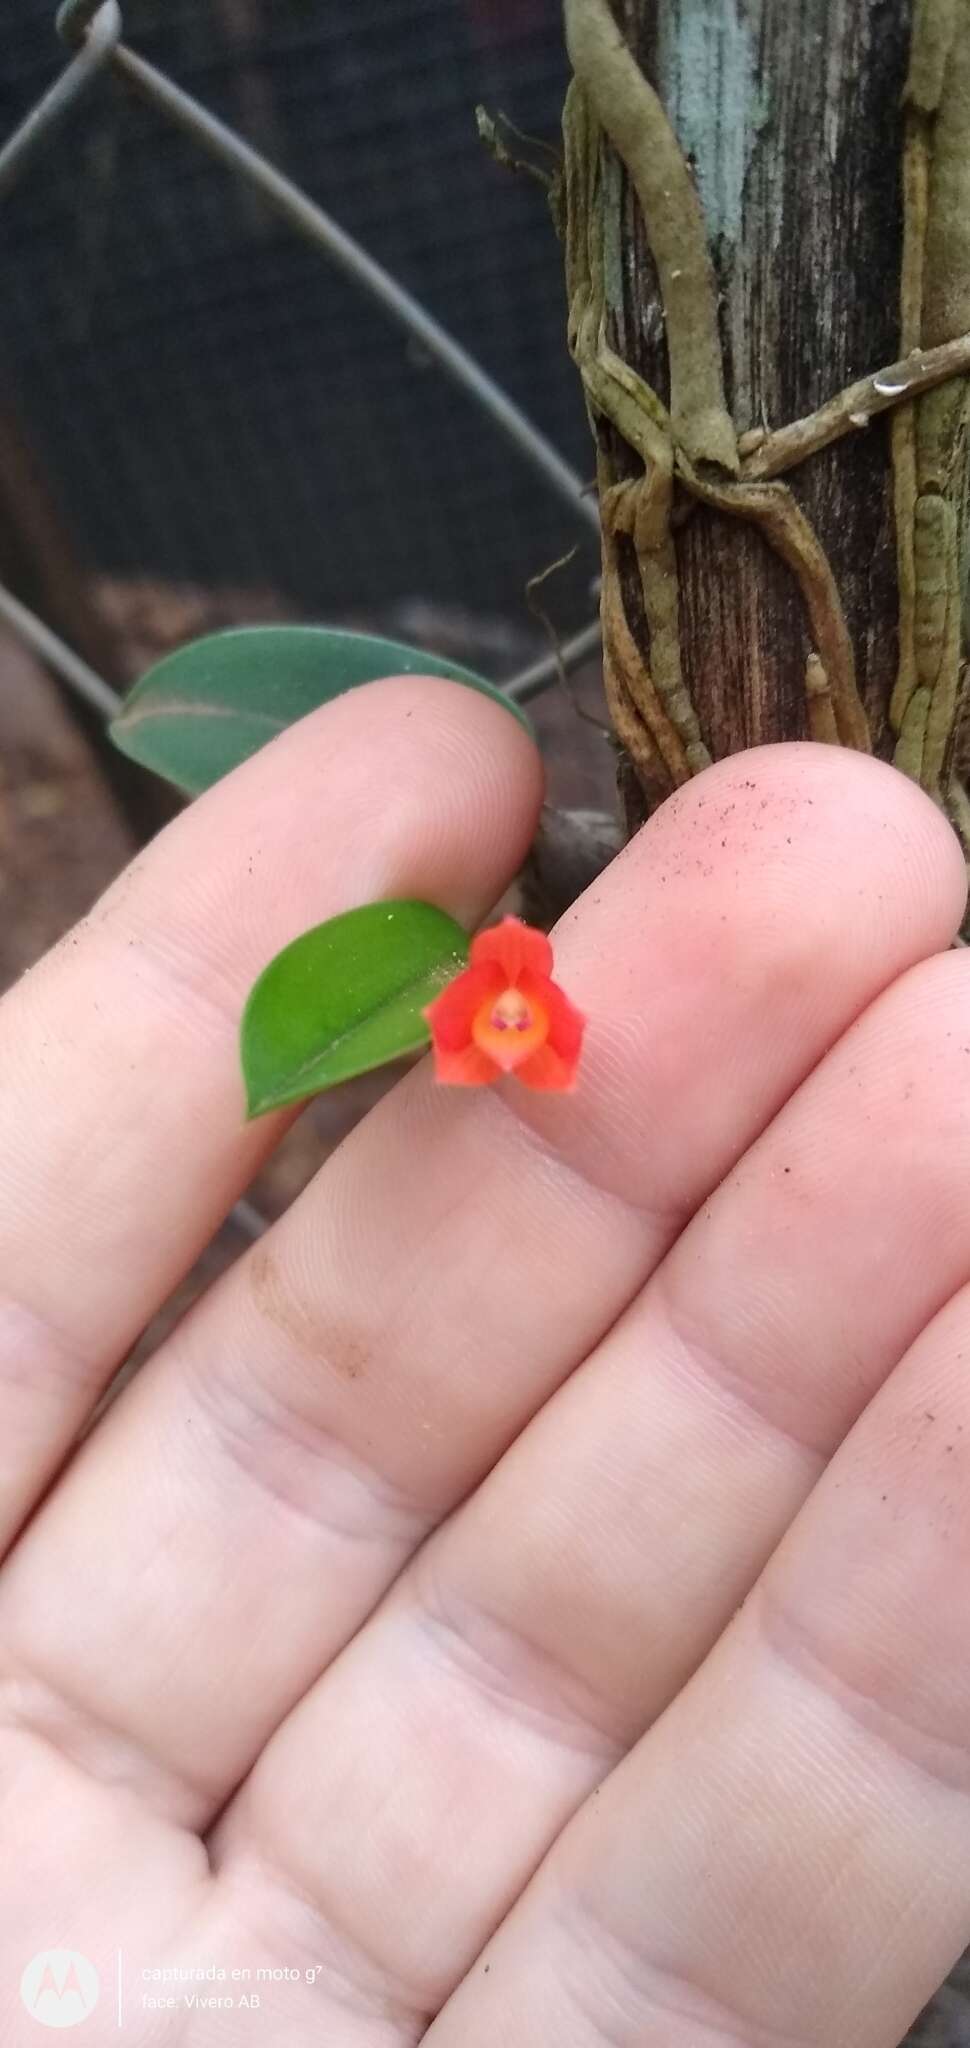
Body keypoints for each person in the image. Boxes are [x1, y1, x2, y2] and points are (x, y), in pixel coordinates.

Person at [0, 671, 968, 2046]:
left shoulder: (521, 1012)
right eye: (500, 1018)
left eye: (516, 1017)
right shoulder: (488, 1005)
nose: (510, 1024)